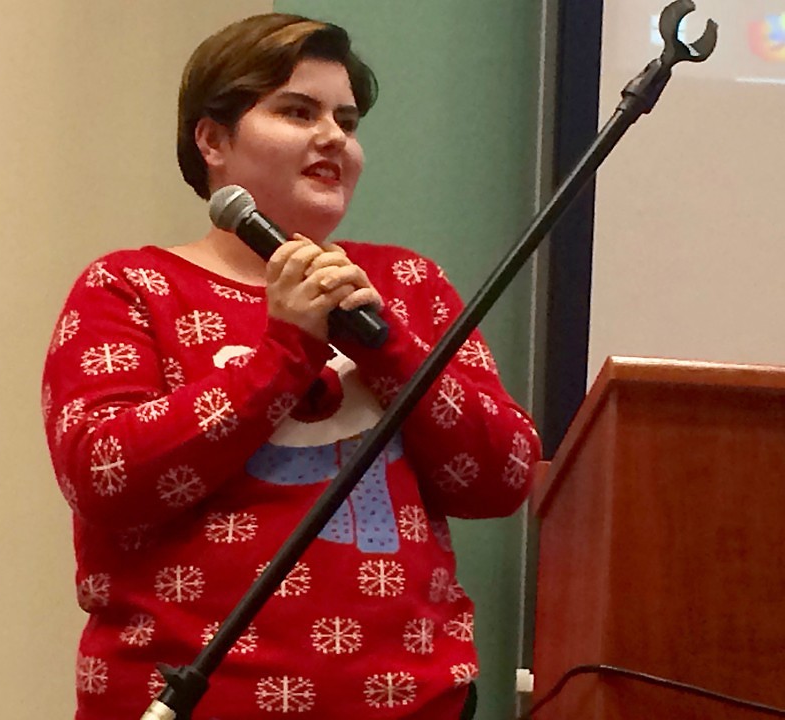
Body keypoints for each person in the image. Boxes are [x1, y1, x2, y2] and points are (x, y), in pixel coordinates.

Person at [41, 13, 541, 720]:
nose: (334, 136)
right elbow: (105, 477)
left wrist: (386, 346)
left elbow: (502, 477)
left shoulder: (409, 286)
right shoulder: (130, 288)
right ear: (212, 140)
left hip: (413, 704)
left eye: (347, 120)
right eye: (298, 112)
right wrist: (284, 352)